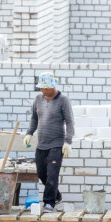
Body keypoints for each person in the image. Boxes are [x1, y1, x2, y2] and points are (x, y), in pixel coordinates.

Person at [23, 71, 74, 212]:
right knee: (41, 173)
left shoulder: (63, 100)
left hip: (56, 145)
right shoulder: (38, 99)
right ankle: (56, 196)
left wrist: (68, 141)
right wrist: (29, 133)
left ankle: (49, 203)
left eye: (45, 88)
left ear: (53, 87)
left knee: (52, 174)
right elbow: (34, 118)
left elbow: (70, 122)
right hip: (41, 144)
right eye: (41, 87)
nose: (42, 90)